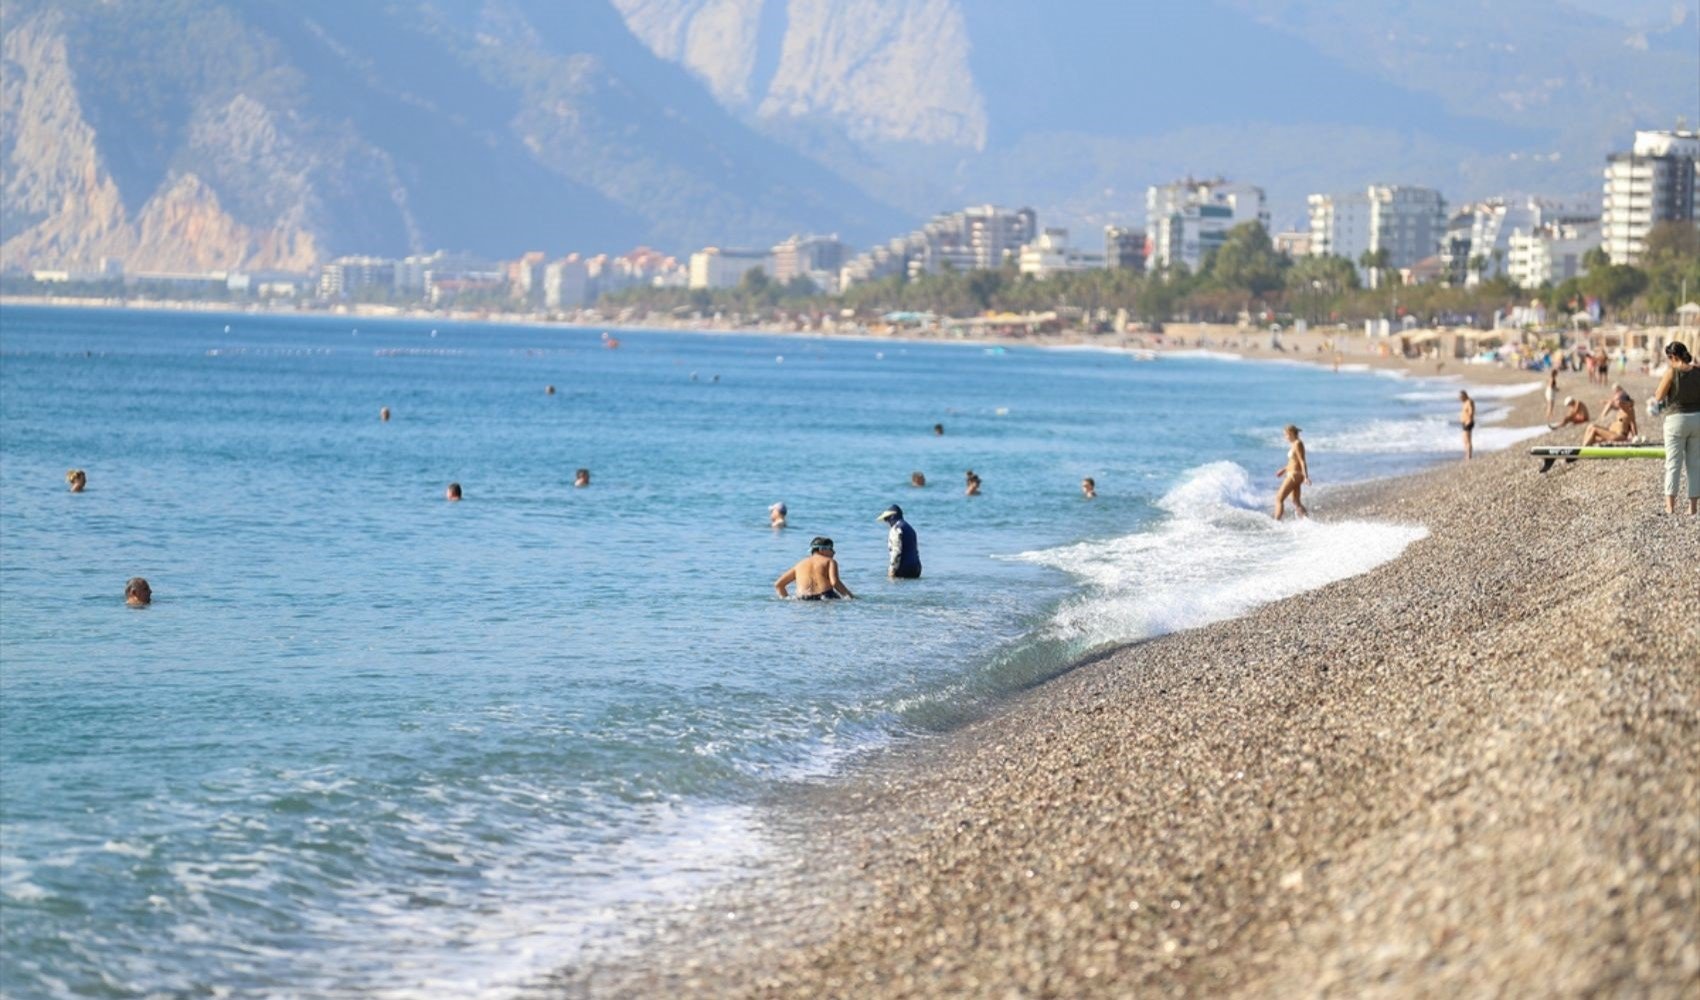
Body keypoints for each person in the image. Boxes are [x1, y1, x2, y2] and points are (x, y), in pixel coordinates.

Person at [1651, 340, 1700, 515]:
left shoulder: (1672, 372)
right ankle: (1692, 507)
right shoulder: (1697, 371)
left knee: (1673, 464)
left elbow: (1658, 396)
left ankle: (1670, 507)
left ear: (1673, 356)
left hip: (1676, 420)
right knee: (1694, 464)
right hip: (1697, 420)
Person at [775, 537, 855, 600]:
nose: (834, 552)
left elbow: (779, 584)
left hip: (803, 599)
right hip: (825, 596)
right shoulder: (830, 561)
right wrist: (851, 597)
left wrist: (786, 599)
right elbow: (835, 583)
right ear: (822, 550)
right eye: (831, 549)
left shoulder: (799, 564)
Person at [1273, 424, 1310, 520]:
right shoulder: (1294, 444)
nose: (1285, 437)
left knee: (1279, 498)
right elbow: (1293, 462)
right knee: (1295, 501)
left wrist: (1306, 477)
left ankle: (1276, 522)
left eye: (1286, 435)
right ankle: (1308, 522)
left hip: (1294, 475)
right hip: (1294, 474)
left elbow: (1302, 461)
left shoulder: (1298, 443)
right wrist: (1284, 469)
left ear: (1292, 433)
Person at [876, 505, 922, 580]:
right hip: (916, 568)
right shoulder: (910, 528)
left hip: (904, 569)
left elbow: (896, 552)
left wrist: (892, 570)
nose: (886, 522)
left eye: (886, 519)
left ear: (892, 517)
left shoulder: (896, 529)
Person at [1458, 390, 1476, 461]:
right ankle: (1466, 455)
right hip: (1465, 422)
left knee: (1468, 440)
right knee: (1464, 440)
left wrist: (1469, 420)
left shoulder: (1469, 402)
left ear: (1464, 396)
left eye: (1460, 397)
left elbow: (1471, 412)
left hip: (1468, 422)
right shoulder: (1465, 402)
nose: (1460, 399)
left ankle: (1469, 456)